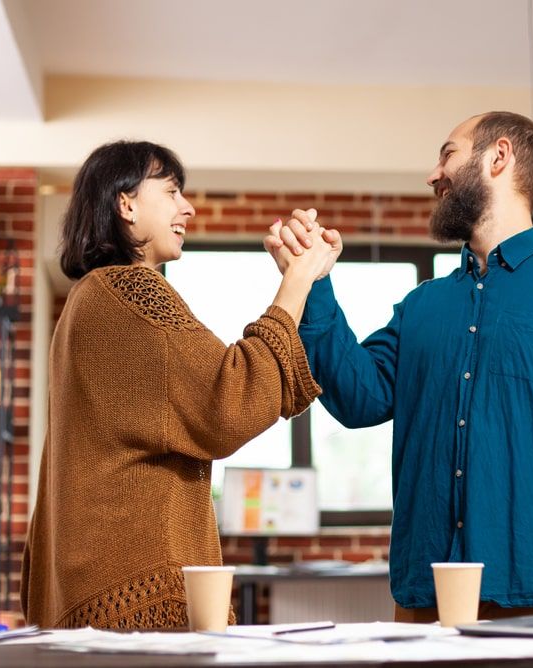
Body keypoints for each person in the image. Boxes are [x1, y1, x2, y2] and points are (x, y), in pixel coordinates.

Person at [264, 112, 533, 622]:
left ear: (498, 156)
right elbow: (358, 397)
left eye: (447, 154)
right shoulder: (421, 307)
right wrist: (312, 282)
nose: (433, 175)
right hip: (426, 605)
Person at [21, 140, 336, 629]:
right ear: (126, 204)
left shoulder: (87, 299)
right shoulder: (131, 290)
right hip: (137, 598)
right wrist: (297, 280)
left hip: (93, 588)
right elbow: (230, 399)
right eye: (171, 192)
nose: (187, 207)